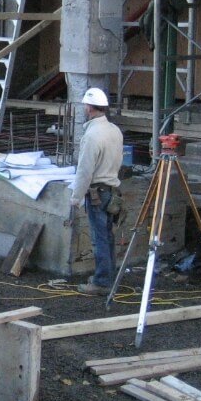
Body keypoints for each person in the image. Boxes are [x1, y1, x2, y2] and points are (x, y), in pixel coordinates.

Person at [70, 87, 124, 295]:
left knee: (99, 237)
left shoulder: (92, 135)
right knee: (107, 236)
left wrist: (75, 197)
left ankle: (102, 282)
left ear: (89, 107)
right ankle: (107, 275)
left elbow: (85, 170)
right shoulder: (114, 130)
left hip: (97, 193)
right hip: (112, 190)